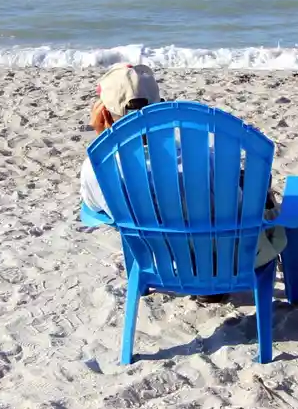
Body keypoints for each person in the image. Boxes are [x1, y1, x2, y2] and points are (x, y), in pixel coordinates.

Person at [79, 64, 286, 271]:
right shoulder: (202, 159)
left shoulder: (95, 169)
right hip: (231, 258)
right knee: (255, 192)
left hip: (162, 262)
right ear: (160, 109)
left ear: (103, 114)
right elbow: (238, 204)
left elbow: (93, 207)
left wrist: (102, 137)